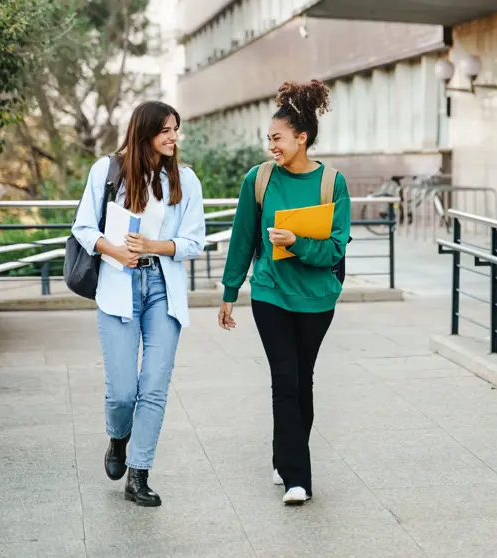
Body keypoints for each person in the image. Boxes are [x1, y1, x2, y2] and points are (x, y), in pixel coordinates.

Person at [218, 80, 351, 506]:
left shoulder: (333, 183)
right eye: (268, 138)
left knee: (302, 380)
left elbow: (335, 248)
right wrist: (230, 289)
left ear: (301, 138)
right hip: (270, 293)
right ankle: (298, 478)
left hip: (316, 299)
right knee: (284, 380)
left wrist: (297, 243)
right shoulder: (258, 179)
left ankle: (284, 455)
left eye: (277, 138)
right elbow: (242, 238)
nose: (271, 145)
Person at [71, 101, 206, 507]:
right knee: (122, 393)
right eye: (165, 129)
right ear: (144, 131)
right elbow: (82, 227)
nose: (173, 137)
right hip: (118, 285)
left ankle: (139, 474)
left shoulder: (184, 179)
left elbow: (194, 241)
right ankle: (118, 439)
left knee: (154, 389)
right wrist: (114, 252)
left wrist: (154, 246)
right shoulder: (107, 170)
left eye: (175, 129)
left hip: (163, 287)